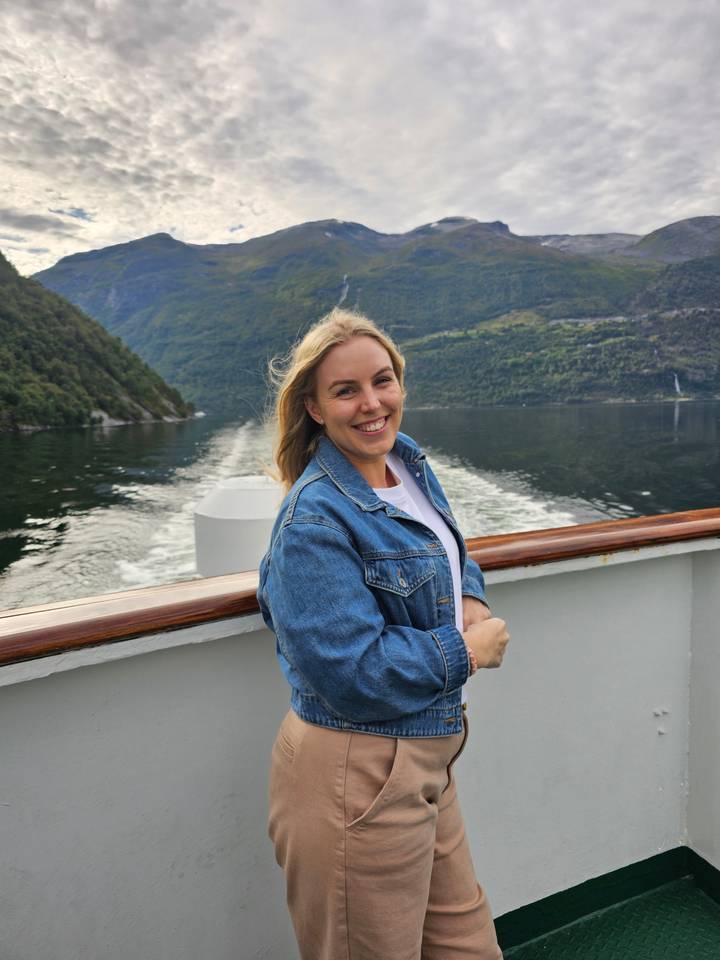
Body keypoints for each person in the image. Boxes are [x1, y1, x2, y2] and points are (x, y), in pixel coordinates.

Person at [257, 307, 509, 960]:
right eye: (346, 390)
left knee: (468, 946)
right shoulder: (312, 522)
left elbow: (448, 550)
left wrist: (471, 596)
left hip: (428, 757)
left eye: (382, 381)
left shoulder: (408, 462)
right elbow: (353, 672)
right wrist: (468, 651)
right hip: (356, 772)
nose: (372, 404)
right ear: (314, 407)